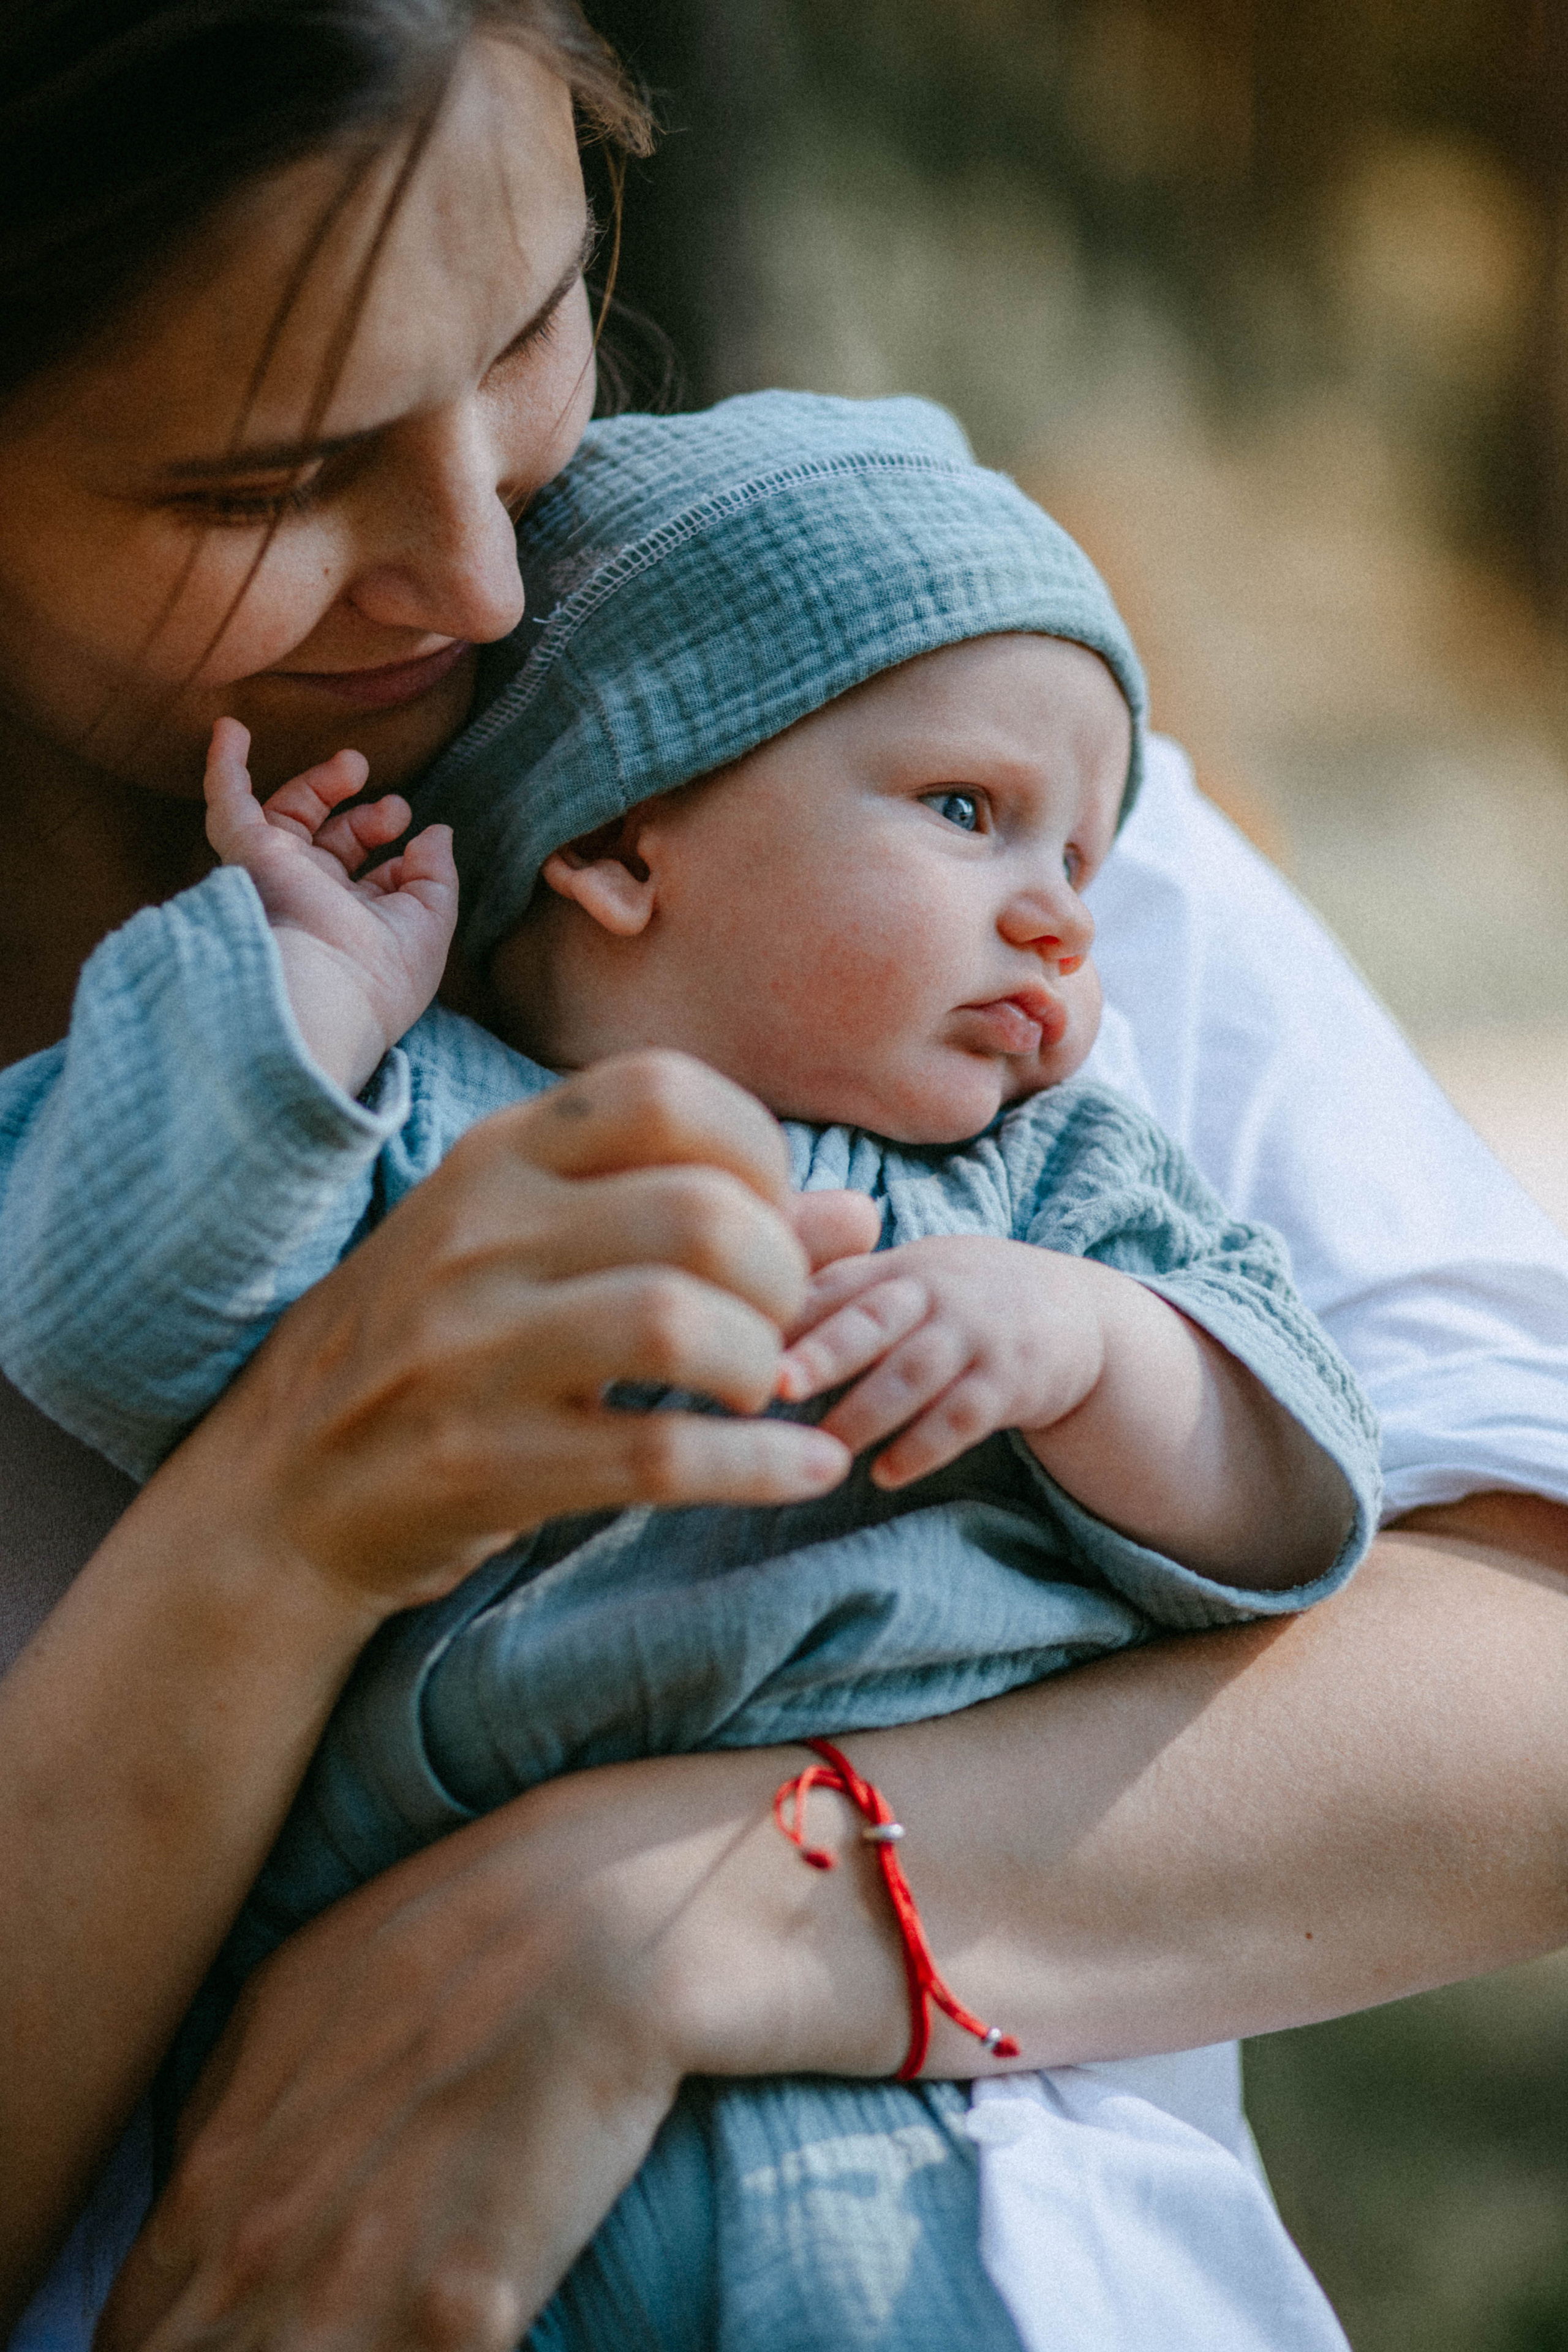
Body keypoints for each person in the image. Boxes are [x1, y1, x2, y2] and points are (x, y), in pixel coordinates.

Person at [0, 6, 1565, 2350]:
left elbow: (1523, 1666)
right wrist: (284, 1522)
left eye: (535, 326)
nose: (485, 581)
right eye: (259, 489)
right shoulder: (258, 1080)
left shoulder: (906, 733)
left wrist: (687, 1918)